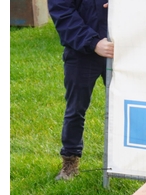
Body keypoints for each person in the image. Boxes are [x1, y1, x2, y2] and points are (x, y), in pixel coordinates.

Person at [48, 0, 114, 180]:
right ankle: (70, 162)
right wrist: (93, 43)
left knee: (130, 104)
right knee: (76, 109)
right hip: (81, 54)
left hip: (120, 50)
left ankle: (133, 161)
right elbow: (63, 15)